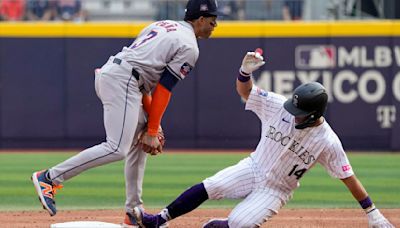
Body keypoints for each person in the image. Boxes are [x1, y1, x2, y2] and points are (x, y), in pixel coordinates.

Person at [131, 51, 395, 228]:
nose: (293, 115)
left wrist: (373, 213)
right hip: (253, 166)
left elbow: (349, 178)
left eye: (300, 113)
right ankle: (160, 220)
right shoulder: (281, 105)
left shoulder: (327, 141)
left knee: (240, 224)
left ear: (314, 115)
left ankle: (221, 225)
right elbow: (246, 93)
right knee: (211, 186)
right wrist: (244, 73)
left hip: (276, 189)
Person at [31, 0, 220, 227]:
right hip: (124, 81)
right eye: (212, 20)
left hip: (119, 75)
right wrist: (153, 129)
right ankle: (49, 178)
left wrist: (152, 127)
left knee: (137, 141)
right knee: (116, 147)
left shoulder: (163, 24)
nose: (215, 25)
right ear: (200, 20)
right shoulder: (190, 46)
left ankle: (133, 211)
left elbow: (144, 82)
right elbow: (163, 89)